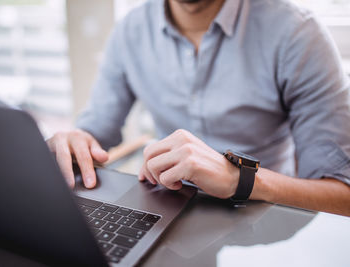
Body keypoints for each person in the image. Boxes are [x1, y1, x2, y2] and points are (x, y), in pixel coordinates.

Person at [47, 0, 350, 216]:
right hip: (162, 214)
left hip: (263, 218)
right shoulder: (130, 31)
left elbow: (342, 196)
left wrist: (239, 179)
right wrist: (75, 142)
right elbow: (96, 129)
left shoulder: (298, 33)